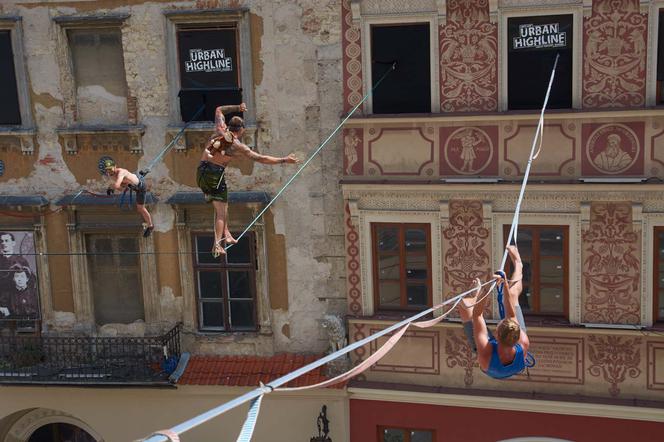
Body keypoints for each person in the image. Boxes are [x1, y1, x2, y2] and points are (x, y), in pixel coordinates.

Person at [198, 114, 300, 257]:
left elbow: (218, 110)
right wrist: (284, 160)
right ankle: (217, 245)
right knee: (221, 212)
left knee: (224, 206)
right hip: (214, 175)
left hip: (201, 172)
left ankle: (226, 234)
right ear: (242, 130)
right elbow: (261, 158)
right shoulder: (237, 145)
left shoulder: (220, 131)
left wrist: (237, 108)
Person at [459, 245, 531, 379]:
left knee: (466, 307)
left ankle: (474, 298)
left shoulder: (486, 352)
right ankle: (519, 264)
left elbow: (477, 315)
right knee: (513, 295)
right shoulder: (523, 341)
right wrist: (504, 284)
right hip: (510, 361)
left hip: (492, 366)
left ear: (496, 336)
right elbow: (511, 314)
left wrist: (487, 289)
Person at [104, 159, 154, 237]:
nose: (109, 171)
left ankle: (150, 226)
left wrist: (111, 187)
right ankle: (140, 175)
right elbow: (121, 187)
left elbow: (117, 185)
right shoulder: (111, 175)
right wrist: (113, 188)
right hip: (132, 184)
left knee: (140, 208)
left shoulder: (121, 172)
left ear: (115, 166)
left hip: (140, 187)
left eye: (110, 169)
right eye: (107, 170)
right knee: (130, 181)